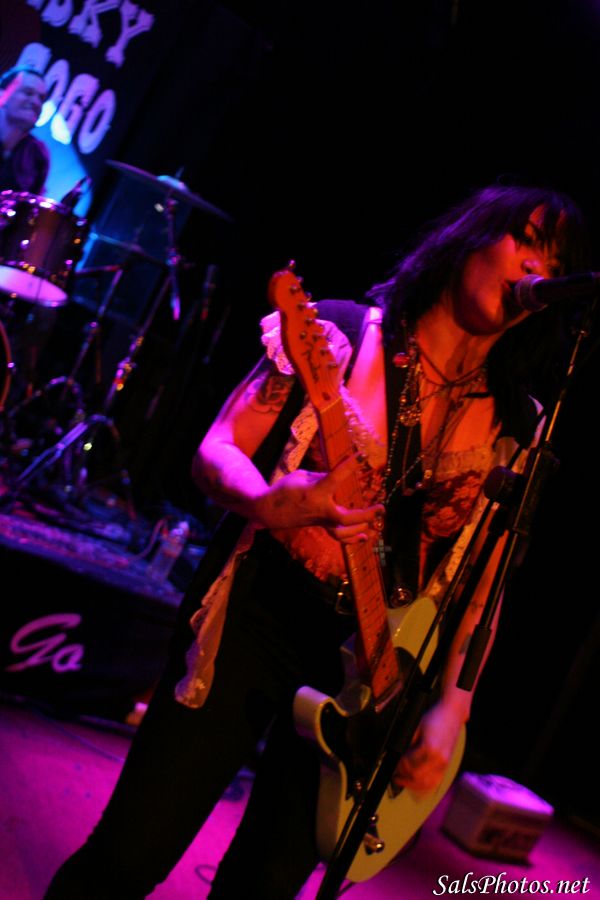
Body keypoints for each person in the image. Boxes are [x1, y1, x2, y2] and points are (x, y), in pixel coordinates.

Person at [44, 182, 588, 898]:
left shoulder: (520, 423)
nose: (536, 268)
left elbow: (482, 587)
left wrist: (452, 711)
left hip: (370, 670)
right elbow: (216, 448)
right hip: (258, 617)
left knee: (265, 886)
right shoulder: (339, 334)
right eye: (527, 240)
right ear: (472, 236)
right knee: (129, 855)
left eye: (555, 261)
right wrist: (268, 502)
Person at [0, 65, 49, 194]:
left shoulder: (37, 153)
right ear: (2, 94)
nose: (36, 102)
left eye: (41, 98)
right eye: (28, 92)